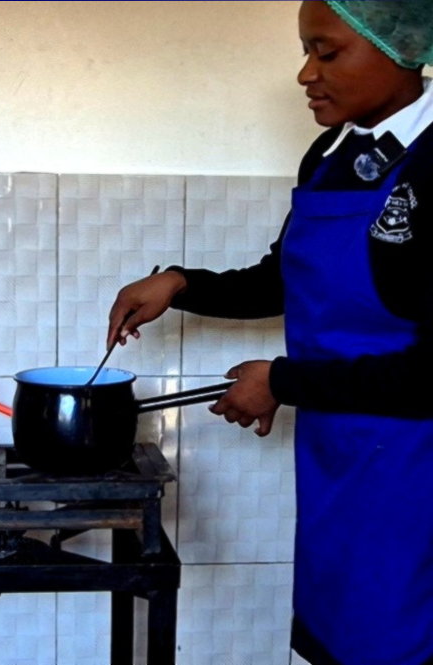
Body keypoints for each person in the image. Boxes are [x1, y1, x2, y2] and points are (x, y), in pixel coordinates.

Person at [105, 2, 433, 662]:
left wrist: (281, 380)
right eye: (306, 51)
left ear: (399, 47)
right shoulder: (330, 154)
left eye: (327, 51)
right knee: (346, 634)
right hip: (340, 456)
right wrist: (181, 282)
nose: (305, 74)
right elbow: (287, 277)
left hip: (417, 470)